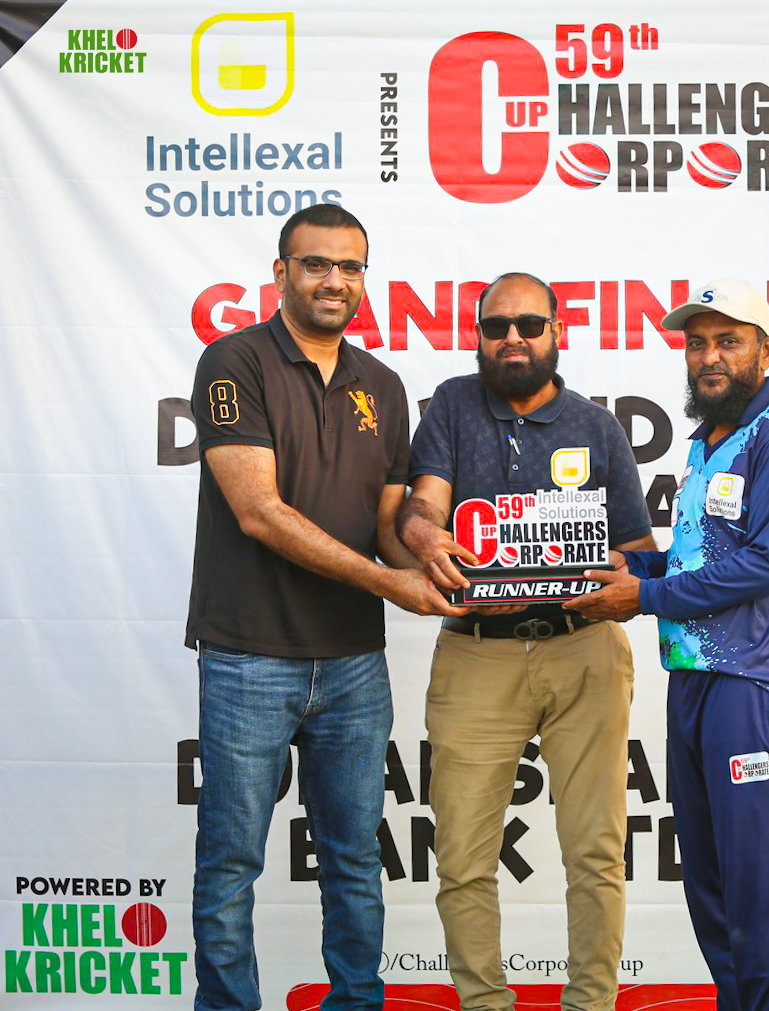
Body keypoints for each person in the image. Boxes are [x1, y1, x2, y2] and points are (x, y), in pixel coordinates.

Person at [184, 203, 464, 1011]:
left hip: (351, 664)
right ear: (281, 273)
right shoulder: (233, 361)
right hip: (249, 655)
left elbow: (386, 525)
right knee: (231, 861)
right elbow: (259, 512)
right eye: (315, 264)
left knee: (352, 858)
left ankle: (356, 1002)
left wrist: (443, 563)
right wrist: (388, 584)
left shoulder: (383, 385)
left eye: (349, 266)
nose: (333, 280)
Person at [396, 272, 656, 1011]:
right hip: (476, 648)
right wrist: (422, 535)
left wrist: (607, 571)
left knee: (596, 850)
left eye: (529, 324)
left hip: (584, 647)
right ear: (478, 335)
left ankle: (590, 1004)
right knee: (462, 854)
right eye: (496, 325)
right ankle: (483, 1003)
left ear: (556, 333)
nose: (512, 337)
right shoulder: (451, 403)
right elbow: (424, 504)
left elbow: (638, 549)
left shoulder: (597, 426)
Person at [565, 279, 769, 1011]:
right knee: (709, 885)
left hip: (750, 686)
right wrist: (631, 567)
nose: (709, 357)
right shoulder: (709, 442)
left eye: (728, 341)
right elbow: (700, 557)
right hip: (692, 681)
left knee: (758, 887)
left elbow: (766, 563)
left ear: (765, 351)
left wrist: (642, 597)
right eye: (697, 343)